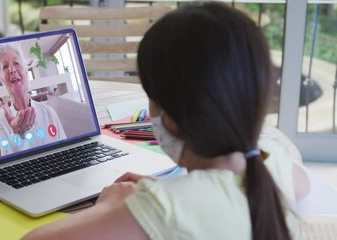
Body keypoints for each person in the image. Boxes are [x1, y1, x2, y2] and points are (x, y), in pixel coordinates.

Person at [22, 3, 309, 239]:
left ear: (170, 119)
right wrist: (173, 191)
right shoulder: (277, 163)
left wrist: (112, 206)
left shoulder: (162, 210)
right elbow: (299, 185)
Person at [0, 42, 66, 156]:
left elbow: (66, 151)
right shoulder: (1, 121)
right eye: (5, 66)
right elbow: (8, 165)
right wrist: (18, 136)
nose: (12, 70)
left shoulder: (49, 113)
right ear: (2, 80)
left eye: (16, 63)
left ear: (26, 72)